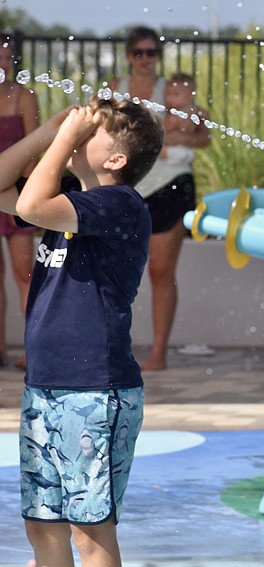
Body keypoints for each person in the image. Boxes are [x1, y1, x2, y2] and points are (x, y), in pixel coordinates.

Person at [0, 95, 162, 566]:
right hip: (47, 386)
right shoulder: (76, 196)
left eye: (92, 133)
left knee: (89, 530)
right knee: (42, 525)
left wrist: (65, 138)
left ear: (115, 159)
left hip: (95, 389)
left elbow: (30, 204)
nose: (79, 130)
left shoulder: (121, 205)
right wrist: (49, 132)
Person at [108, 28, 211, 372]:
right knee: (111, 270)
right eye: (139, 53)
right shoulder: (114, 88)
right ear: (128, 56)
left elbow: (204, 135)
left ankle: (158, 352)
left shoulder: (173, 88)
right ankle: (108, 347)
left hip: (170, 183)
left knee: (161, 271)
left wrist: (176, 135)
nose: (146, 59)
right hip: (125, 187)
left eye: (151, 52)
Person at [0, 36, 39, 370]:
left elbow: (32, 151)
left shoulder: (24, 97)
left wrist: (24, 202)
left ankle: (35, 349)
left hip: (15, 194)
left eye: (7, 58)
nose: (2, 64)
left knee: (25, 274)